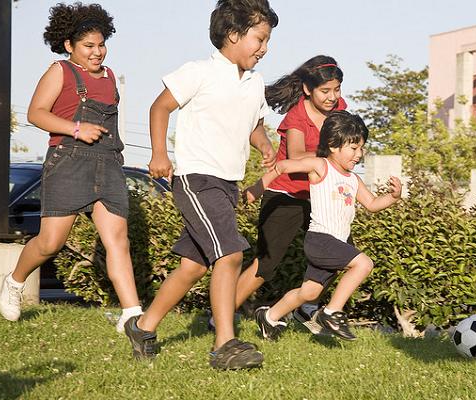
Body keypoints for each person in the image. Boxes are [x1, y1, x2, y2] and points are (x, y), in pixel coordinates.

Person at [123, 0, 278, 370]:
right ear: (233, 35)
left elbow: (253, 123)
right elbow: (160, 107)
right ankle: (225, 344)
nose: (265, 48)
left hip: (227, 183)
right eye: (259, 38)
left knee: (193, 266)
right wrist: (160, 154)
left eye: (268, 40)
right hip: (196, 179)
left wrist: (265, 144)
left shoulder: (255, 83)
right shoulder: (199, 72)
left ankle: (142, 327)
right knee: (230, 254)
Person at [0, 2, 142, 331]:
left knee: (118, 239)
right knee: (51, 242)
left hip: (107, 165)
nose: (97, 52)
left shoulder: (109, 78)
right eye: (89, 46)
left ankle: (132, 314)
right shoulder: (60, 71)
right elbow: (36, 113)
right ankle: (15, 281)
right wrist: (76, 128)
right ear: (69, 46)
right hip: (68, 162)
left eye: (101, 45)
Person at [245, 111, 402, 342]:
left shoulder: (353, 179)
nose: (359, 154)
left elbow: (372, 204)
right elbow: (284, 166)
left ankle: (269, 316)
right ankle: (332, 313)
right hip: (320, 240)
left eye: (361, 149)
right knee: (364, 263)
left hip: (335, 243)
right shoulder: (320, 166)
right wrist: (260, 187)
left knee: (310, 292)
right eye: (353, 148)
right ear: (333, 145)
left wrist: (393, 197)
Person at [228, 55, 346, 335]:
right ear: (308, 89)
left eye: (337, 89)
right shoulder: (297, 115)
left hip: (319, 196)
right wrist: (331, 154)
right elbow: (296, 155)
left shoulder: (340, 108)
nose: (333, 97)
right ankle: (220, 314)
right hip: (286, 194)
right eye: (325, 91)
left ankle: (307, 307)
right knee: (266, 263)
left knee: (343, 253)